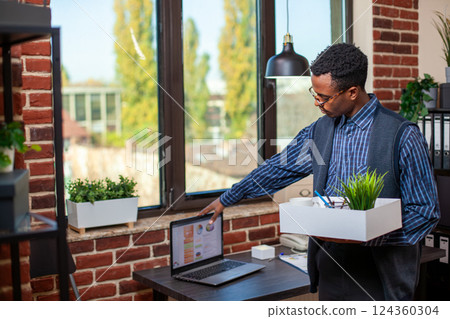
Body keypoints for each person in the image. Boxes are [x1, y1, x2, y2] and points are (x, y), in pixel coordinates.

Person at [198, 43, 440, 301]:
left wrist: (369, 235)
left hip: (380, 274)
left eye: (324, 97)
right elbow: (280, 167)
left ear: (352, 92)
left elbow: (425, 211)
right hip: (331, 266)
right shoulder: (320, 131)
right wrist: (229, 197)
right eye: (314, 93)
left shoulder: (402, 135)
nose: (317, 103)